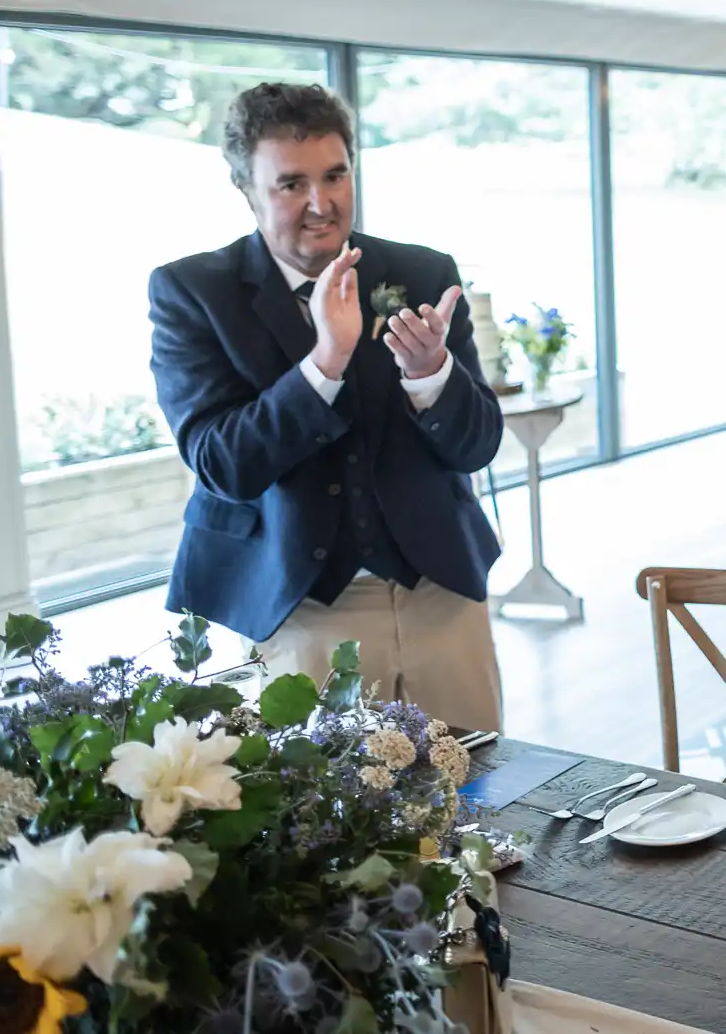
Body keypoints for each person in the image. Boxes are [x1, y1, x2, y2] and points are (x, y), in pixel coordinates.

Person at [148, 82, 507, 732]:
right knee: (326, 822)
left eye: (336, 175)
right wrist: (324, 362)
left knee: (478, 792)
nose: (322, 203)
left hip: (442, 593)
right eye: (291, 184)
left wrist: (432, 375)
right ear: (246, 188)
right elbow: (222, 463)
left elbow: (477, 446)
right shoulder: (194, 292)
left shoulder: (422, 274)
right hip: (300, 608)